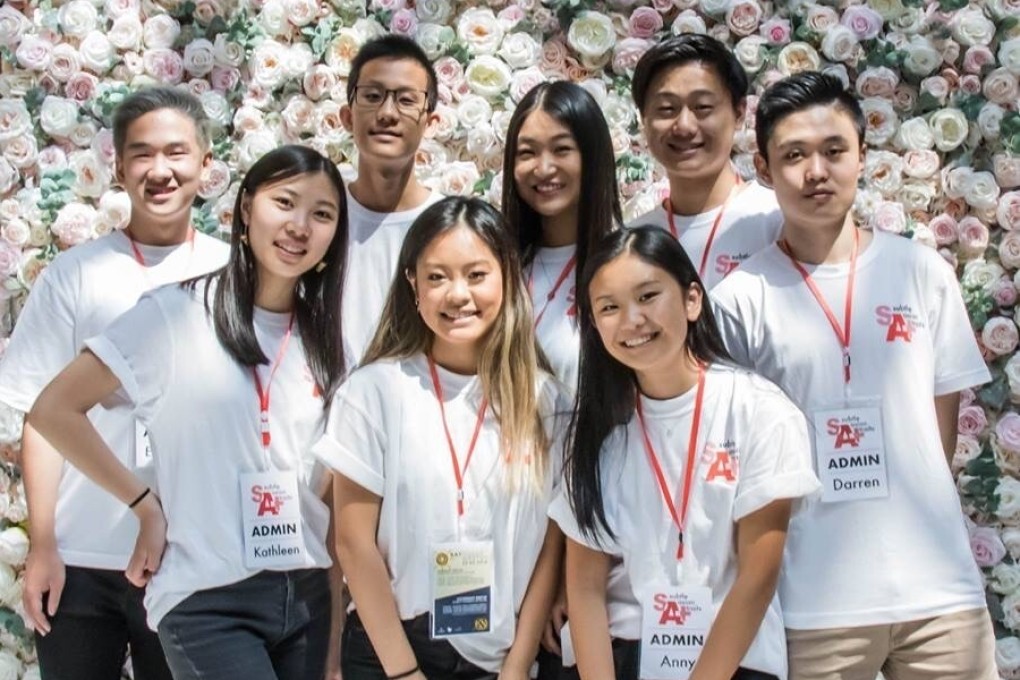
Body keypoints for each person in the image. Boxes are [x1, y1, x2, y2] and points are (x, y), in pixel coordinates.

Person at [711, 72, 997, 680]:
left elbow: (938, 436)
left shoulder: (920, 272)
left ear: (863, 155)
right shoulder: (739, 298)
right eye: (794, 155)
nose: (817, 171)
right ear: (764, 167)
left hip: (940, 597)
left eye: (834, 150)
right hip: (812, 604)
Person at [28, 144, 349, 680]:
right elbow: (53, 410)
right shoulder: (172, 315)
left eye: (322, 214)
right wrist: (144, 505)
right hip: (208, 599)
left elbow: (333, 505)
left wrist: (335, 640)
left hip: (306, 597)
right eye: (285, 203)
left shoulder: (330, 344)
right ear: (246, 208)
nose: (300, 226)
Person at [0, 87, 228, 680]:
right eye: (142, 155)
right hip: (80, 559)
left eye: (176, 153)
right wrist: (44, 542)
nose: (160, 171)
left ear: (206, 164)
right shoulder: (76, 275)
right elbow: (39, 417)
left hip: (188, 559)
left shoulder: (234, 274)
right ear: (119, 167)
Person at [316, 196, 565, 680]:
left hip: (501, 658)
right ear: (412, 284)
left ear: (508, 277)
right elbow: (352, 543)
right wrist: (404, 672)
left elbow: (552, 546)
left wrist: (517, 668)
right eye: (436, 277)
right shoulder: (374, 391)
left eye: (476, 275)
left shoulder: (546, 401)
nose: (457, 295)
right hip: (392, 653)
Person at [628, 34, 781, 290]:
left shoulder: (776, 219)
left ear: (739, 113)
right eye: (666, 109)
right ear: (644, 119)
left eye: (702, 107)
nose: (684, 126)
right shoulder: (633, 239)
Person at [503, 80, 622, 394]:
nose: (543, 168)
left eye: (562, 149)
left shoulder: (627, 265)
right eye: (527, 153)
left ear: (592, 155)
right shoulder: (496, 267)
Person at [340, 34, 444, 365]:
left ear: (430, 123)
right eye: (372, 96)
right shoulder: (321, 219)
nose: (387, 113)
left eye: (406, 100)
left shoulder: (448, 227)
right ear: (347, 116)